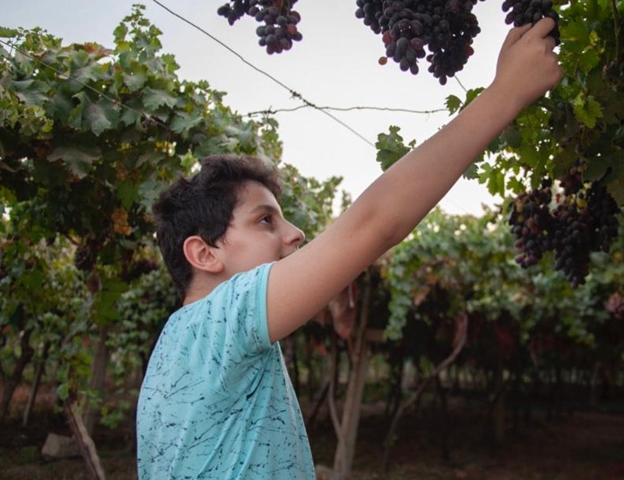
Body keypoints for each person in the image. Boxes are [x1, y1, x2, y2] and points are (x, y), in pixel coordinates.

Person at [136, 18, 561, 480]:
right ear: (204, 255)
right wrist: (506, 94)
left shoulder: (180, 346)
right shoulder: (223, 319)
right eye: (265, 221)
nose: (295, 233)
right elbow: (373, 225)